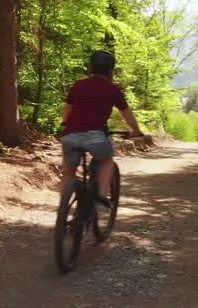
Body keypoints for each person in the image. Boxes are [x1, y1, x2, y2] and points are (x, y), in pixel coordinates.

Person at [59, 50, 142, 212]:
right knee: (106, 161)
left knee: (68, 170)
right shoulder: (113, 89)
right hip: (95, 137)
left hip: (70, 136)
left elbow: (67, 110)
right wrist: (136, 130)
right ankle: (100, 196)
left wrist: (65, 123)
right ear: (111, 71)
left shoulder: (78, 85)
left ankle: (63, 205)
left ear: (90, 68)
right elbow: (126, 112)